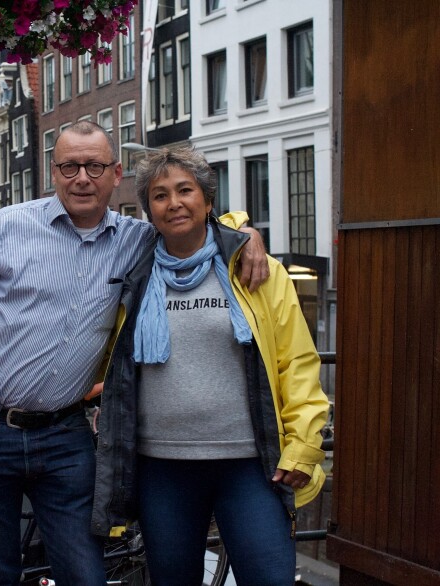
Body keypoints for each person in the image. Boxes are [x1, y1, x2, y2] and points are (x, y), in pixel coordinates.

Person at [0, 121, 269, 586]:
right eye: (69, 166)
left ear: (116, 173)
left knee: (85, 575)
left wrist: (246, 232)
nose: (81, 178)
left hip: (67, 437)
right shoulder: (6, 227)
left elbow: (191, 219)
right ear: (54, 171)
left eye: (94, 166)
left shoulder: (137, 239)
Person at [91, 145, 329, 585]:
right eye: (160, 195)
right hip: (162, 465)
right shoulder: (133, 274)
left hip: (249, 464)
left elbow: (295, 361)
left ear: (208, 200)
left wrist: (304, 445)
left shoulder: (256, 271)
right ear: (149, 211)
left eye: (186, 190)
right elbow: (109, 356)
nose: (174, 202)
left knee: (270, 577)